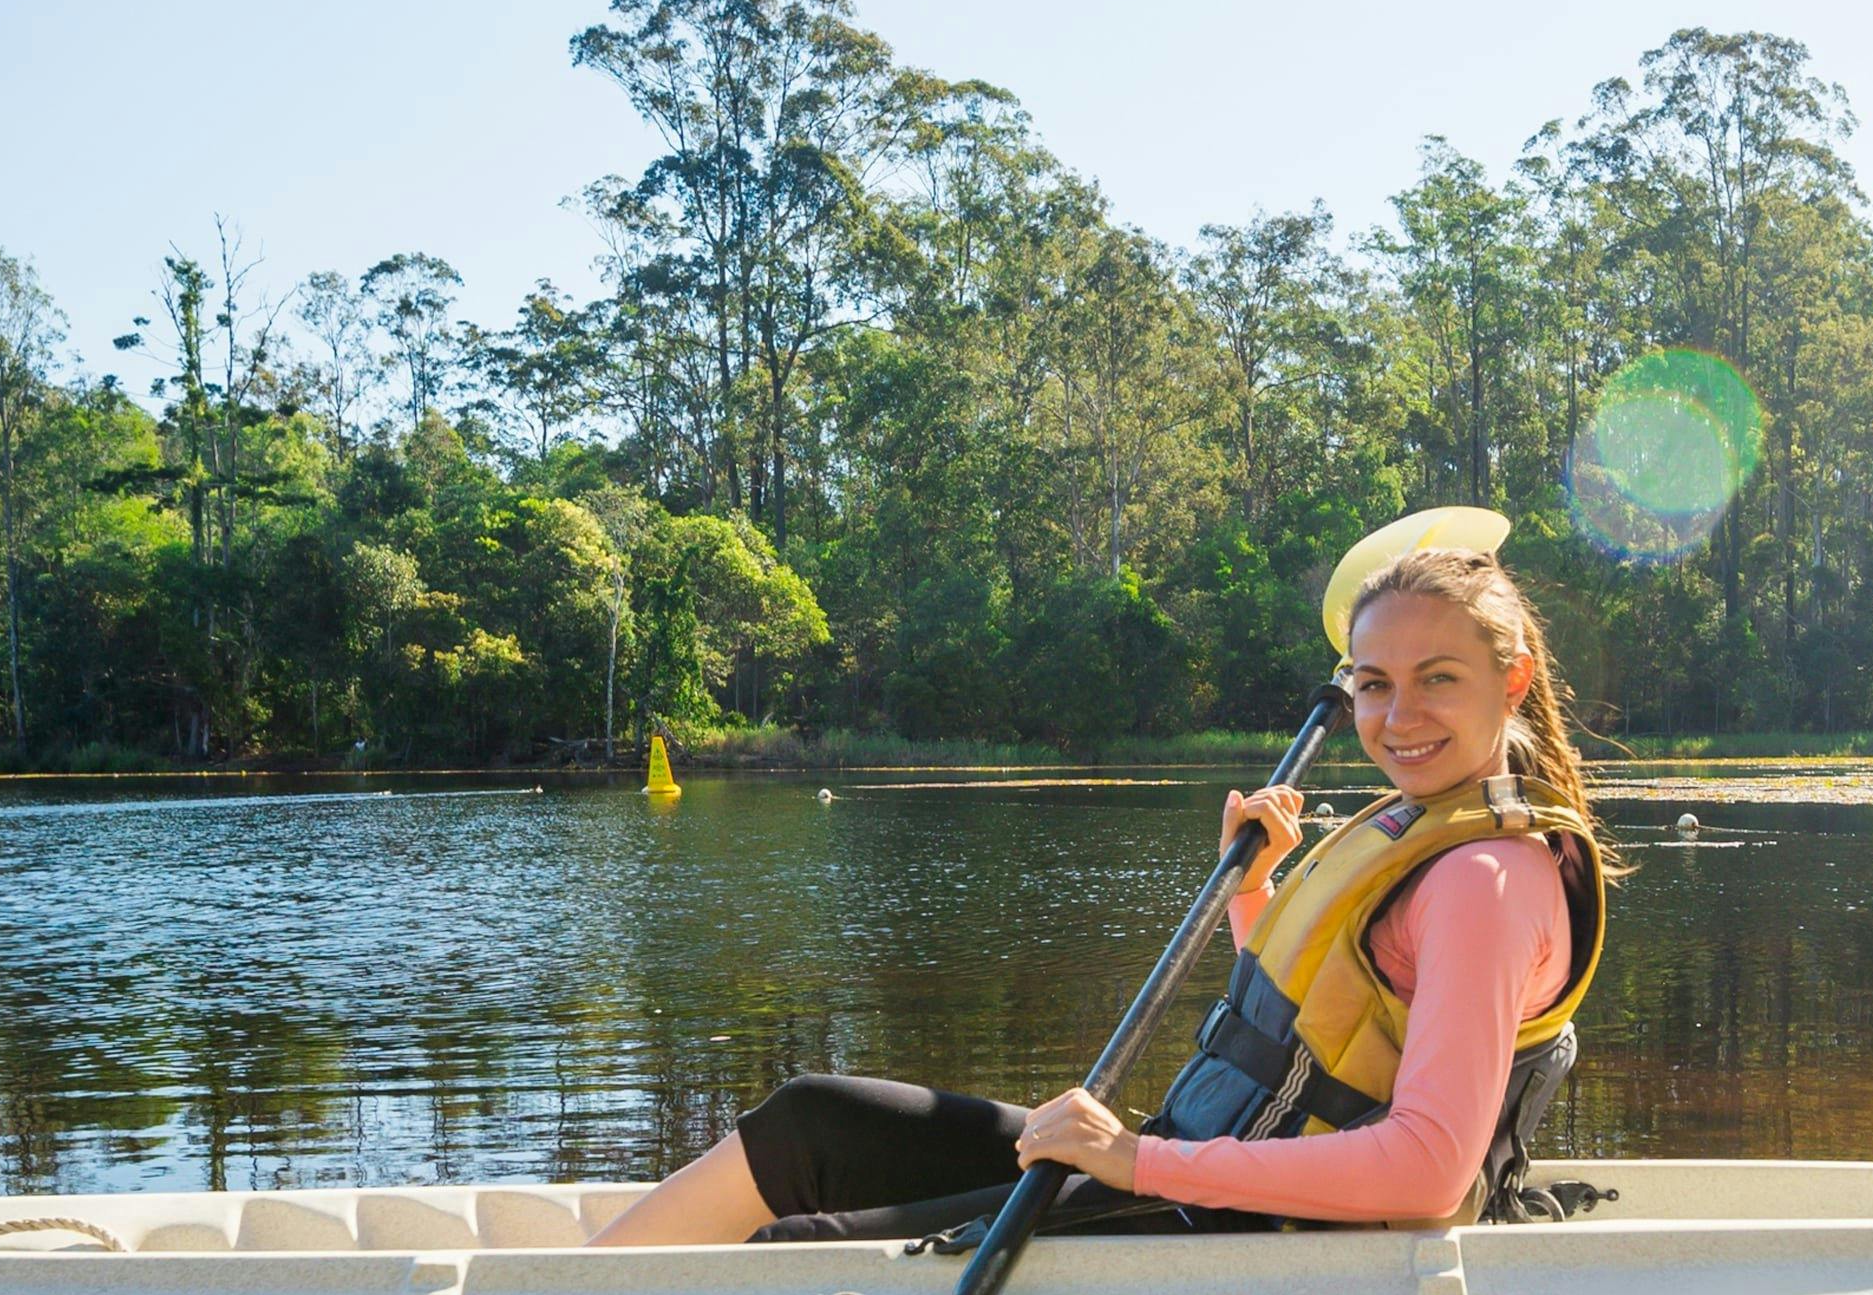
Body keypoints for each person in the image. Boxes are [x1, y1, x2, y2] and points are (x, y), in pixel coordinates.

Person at [588, 523, 1607, 1248]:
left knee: (812, 1242)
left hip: (1249, 1231)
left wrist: (1133, 1162)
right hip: (1199, 1172)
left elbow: (1429, 1174)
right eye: (1374, 685)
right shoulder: (1417, 825)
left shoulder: (1482, 876)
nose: (1399, 716)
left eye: (1439, 677)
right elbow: (1319, 1044)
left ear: (1511, 680)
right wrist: (1255, 892)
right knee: (819, 1118)